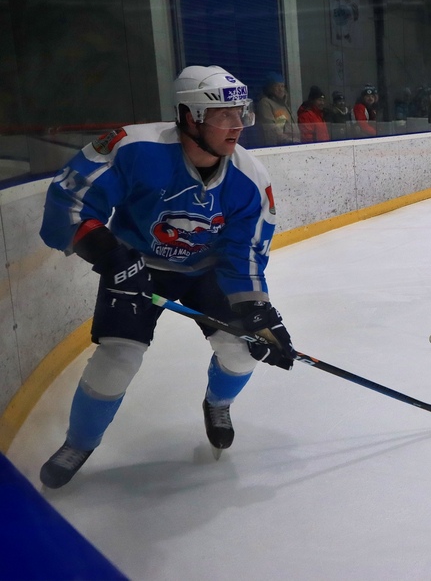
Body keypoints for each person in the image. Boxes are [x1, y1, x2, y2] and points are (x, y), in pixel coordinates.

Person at [36, 66, 296, 489]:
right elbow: (69, 200)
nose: (237, 125)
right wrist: (112, 257)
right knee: (117, 360)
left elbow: (244, 252)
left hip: (206, 272)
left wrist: (259, 312)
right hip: (134, 265)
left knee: (241, 353)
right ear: (190, 117)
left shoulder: (250, 179)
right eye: (224, 115)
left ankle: (217, 404)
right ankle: (78, 443)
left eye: (241, 113)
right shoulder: (134, 148)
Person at [258, 72, 300, 145]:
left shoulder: (285, 104)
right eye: (277, 86)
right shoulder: (266, 103)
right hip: (278, 145)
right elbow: (271, 128)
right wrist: (289, 141)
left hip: (292, 144)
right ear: (270, 89)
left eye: (282, 86)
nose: (281, 89)